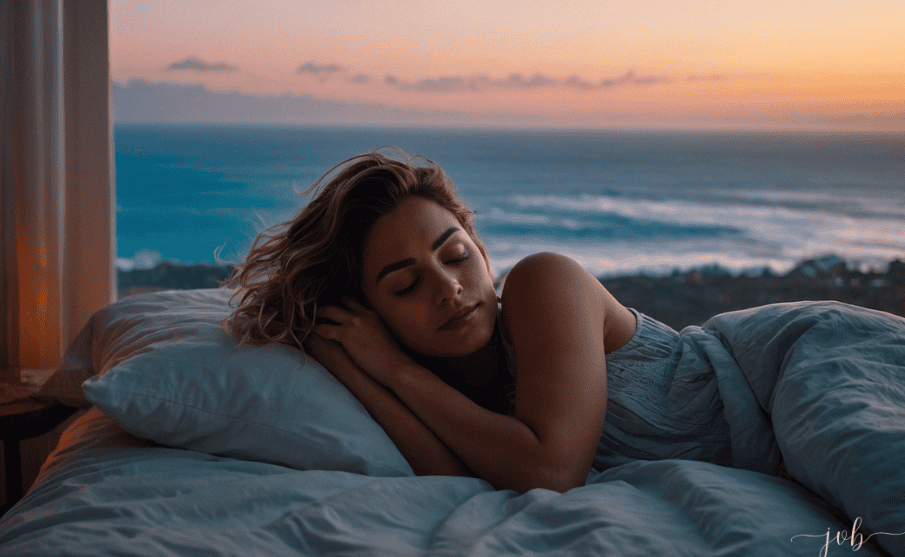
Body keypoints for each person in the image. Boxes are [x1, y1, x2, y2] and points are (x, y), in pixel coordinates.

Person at [221, 149, 724, 493]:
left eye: (457, 255)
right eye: (406, 285)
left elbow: (552, 471)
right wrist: (344, 360)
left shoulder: (544, 283)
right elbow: (457, 481)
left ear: (482, 251)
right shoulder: (441, 396)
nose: (449, 288)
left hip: (776, 378)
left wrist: (396, 370)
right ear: (367, 313)